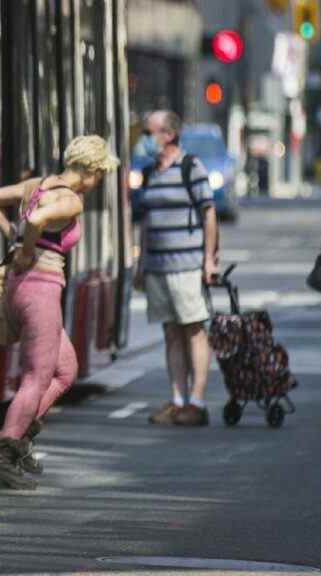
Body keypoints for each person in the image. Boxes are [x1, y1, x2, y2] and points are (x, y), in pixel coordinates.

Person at [0, 135, 119, 489]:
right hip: (39, 287)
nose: (99, 182)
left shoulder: (36, 184)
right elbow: (38, 220)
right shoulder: (71, 200)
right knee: (37, 377)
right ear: (89, 170)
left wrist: (11, 232)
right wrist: (25, 248)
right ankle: (2, 458)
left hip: (22, 286)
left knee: (65, 369)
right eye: (100, 175)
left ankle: (21, 438)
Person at [135, 110, 219, 427]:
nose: (144, 138)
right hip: (157, 266)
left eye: (148, 131)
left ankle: (196, 402)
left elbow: (208, 213)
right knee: (170, 332)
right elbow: (145, 221)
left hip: (187, 266)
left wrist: (208, 259)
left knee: (194, 330)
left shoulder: (191, 167)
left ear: (169, 135)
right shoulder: (149, 172)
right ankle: (177, 400)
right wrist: (141, 262)